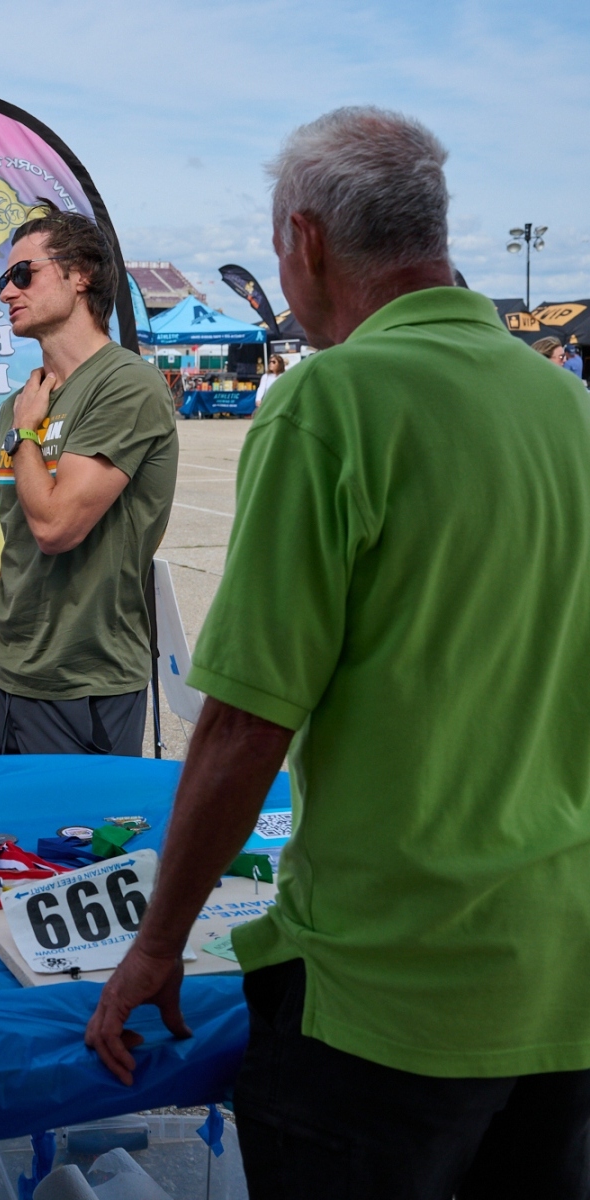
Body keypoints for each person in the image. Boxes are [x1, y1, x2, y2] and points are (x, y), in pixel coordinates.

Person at [84, 107, 590, 1199]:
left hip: (391, 992)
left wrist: (156, 942)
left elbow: (241, 721)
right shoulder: (566, 406)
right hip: (560, 972)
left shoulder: (334, 399)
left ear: (304, 242)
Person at [0, 206, 178, 757]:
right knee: (2, 840)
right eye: (4, 279)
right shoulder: (18, 405)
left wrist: (29, 435)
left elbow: (56, 527)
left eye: (23, 274)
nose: (7, 292)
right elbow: (21, 550)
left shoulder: (127, 385)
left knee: (80, 842)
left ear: (81, 274)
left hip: (84, 683)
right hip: (10, 677)